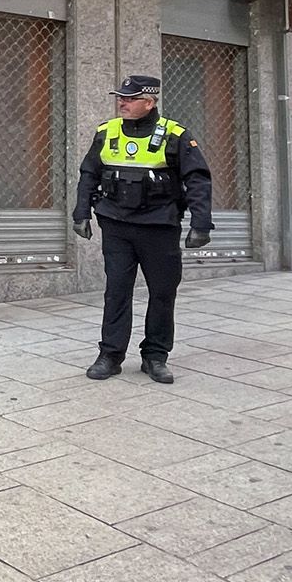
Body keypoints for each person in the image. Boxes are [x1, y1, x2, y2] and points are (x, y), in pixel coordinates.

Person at [72, 74, 212, 384]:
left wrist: (201, 224)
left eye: (130, 98)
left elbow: (198, 180)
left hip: (158, 227)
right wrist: (81, 213)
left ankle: (155, 356)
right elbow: (88, 175)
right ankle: (110, 355)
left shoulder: (175, 135)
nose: (122, 102)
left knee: (162, 293)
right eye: (120, 97)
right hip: (117, 226)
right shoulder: (106, 132)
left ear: (149, 102)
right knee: (116, 291)